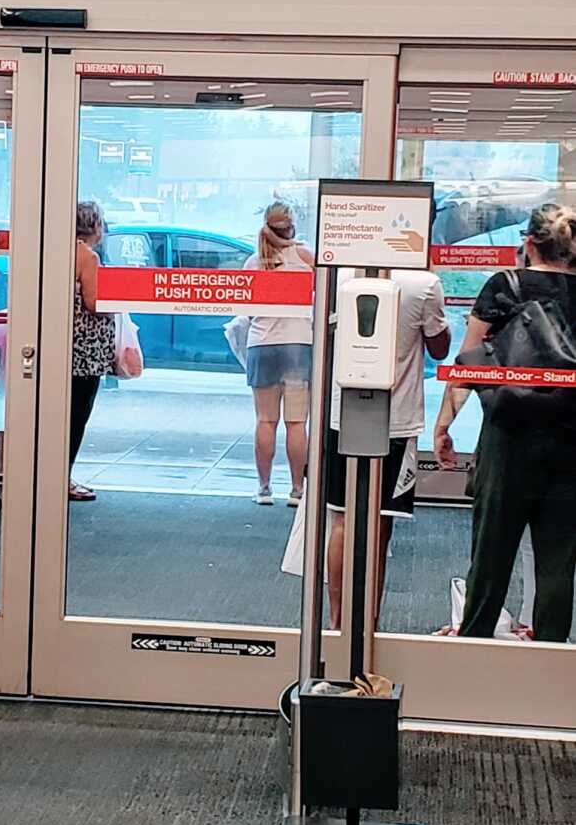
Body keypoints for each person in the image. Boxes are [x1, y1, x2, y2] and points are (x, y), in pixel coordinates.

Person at [434, 203, 576, 643]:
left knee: (491, 554)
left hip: (508, 437)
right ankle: (550, 657)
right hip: (572, 441)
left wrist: (444, 425)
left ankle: (475, 648)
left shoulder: (505, 286)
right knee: (558, 560)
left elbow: (468, 360)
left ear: (528, 242)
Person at [326, 268, 450, 628]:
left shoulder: (339, 274)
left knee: (343, 520)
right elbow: (439, 348)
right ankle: (368, 621)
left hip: (343, 412)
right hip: (397, 418)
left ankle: (337, 623)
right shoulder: (424, 283)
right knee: (380, 523)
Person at [244, 200, 314, 507]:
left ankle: (263, 488)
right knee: (296, 423)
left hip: (261, 345)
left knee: (265, 421)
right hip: (298, 345)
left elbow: (245, 312)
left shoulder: (253, 262)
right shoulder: (306, 257)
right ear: (292, 226)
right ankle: (297, 490)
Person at [69, 201, 116, 503]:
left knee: (57, 416)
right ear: (95, 227)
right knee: (76, 416)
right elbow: (94, 302)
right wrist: (118, 304)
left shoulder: (53, 248)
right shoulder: (87, 256)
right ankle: (62, 477)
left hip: (59, 345)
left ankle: (48, 473)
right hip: (84, 352)